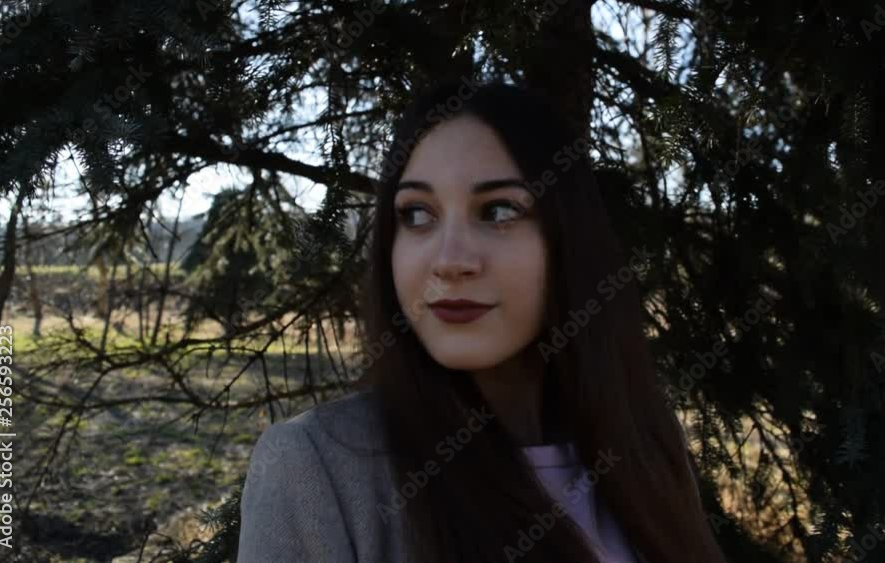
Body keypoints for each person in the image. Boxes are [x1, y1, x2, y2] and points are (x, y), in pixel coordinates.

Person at [237, 80, 728, 562]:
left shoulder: (646, 444)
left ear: (569, 236)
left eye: (497, 211)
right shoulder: (315, 468)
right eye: (416, 214)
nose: (450, 261)